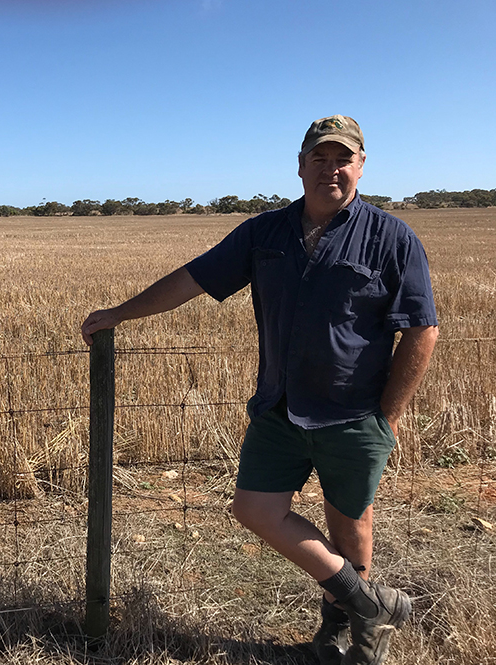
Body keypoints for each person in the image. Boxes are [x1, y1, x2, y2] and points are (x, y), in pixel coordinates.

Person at [81, 115, 438, 665]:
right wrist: (119, 314)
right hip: (279, 408)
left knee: (350, 524)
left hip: (354, 413)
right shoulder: (264, 232)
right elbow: (193, 278)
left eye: (342, 158)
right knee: (253, 508)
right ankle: (372, 604)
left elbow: (421, 329)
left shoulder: (392, 237)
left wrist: (387, 416)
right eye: (318, 158)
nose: (330, 169)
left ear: (361, 167)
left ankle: (346, 641)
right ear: (299, 166)